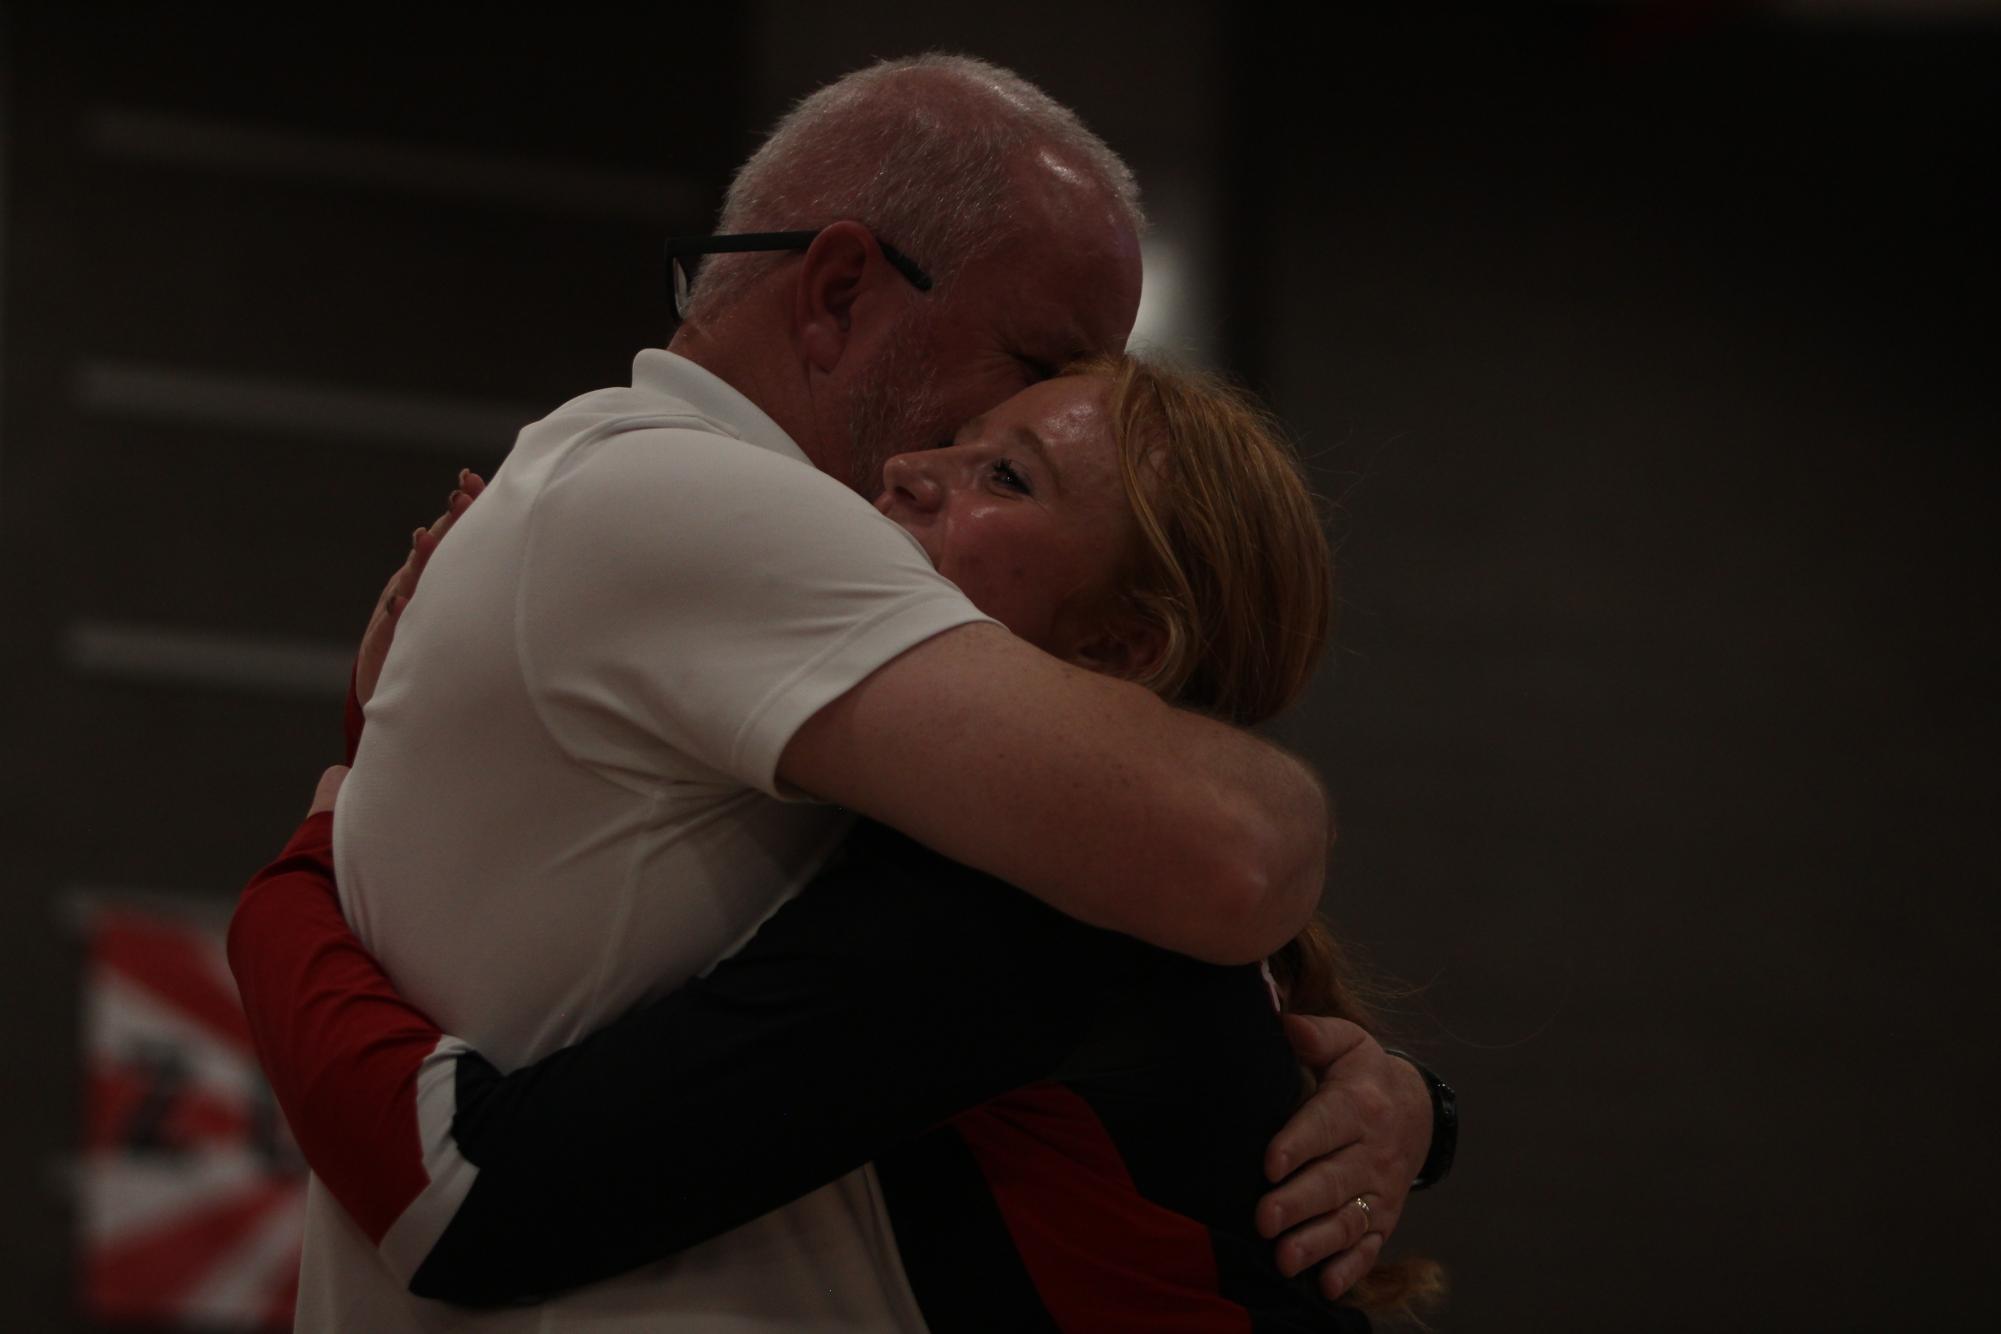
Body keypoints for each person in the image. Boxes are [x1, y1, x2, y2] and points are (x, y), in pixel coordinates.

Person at [260, 53, 1436, 1331]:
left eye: (1011, 474)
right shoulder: (692, 505)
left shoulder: (1019, 892)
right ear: (833, 292)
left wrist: (297, 880)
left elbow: (477, 1191)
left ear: (1121, 653)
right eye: (1035, 361)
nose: (923, 469)